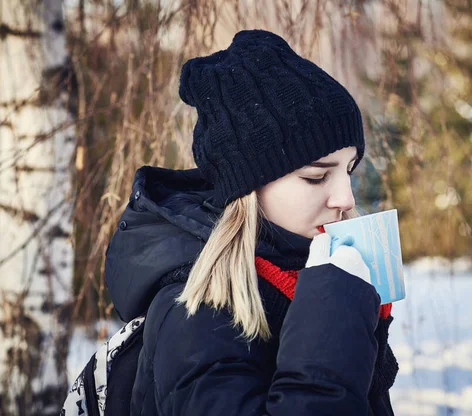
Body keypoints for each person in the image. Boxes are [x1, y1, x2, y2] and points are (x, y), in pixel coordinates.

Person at [105, 29, 398, 415]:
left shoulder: (307, 272)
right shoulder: (194, 312)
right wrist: (334, 313)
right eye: (316, 176)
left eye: (350, 170)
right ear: (248, 187)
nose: (346, 198)